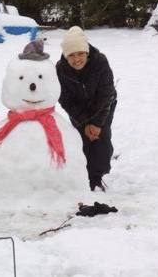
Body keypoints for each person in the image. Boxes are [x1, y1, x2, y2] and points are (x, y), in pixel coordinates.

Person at [56, 26, 117, 192]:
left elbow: (106, 94)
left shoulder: (100, 62)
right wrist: (84, 122)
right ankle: (83, 176)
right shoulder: (60, 69)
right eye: (71, 55)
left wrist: (96, 124)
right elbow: (65, 99)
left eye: (80, 53)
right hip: (78, 108)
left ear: (87, 52)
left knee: (100, 138)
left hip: (104, 104)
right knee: (82, 139)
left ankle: (96, 177)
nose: (76, 59)